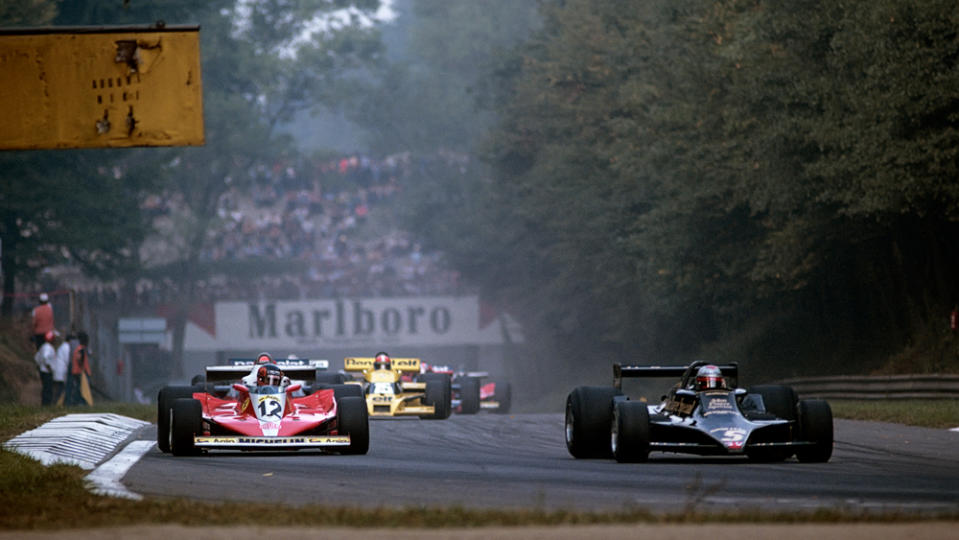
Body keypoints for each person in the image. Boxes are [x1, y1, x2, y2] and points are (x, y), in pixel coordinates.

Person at [67, 331, 92, 406]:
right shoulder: (80, 349)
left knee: (79, 388)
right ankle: (79, 402)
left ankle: (78, 401)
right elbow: (79, 359)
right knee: (81, 389)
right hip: (80, 372)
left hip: (79, 371)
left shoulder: (79, 349)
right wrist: (83, 370)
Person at [34, 330, 56, 405]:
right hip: (47, 371)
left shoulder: (43, 346)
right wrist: (49, 367)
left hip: (43, 370)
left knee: (46, 388)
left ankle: (45, 403)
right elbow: (45, 357)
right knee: (48, 389)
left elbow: (36, 357)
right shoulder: (48, 347)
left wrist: (39, 365)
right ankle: (46, 404)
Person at [50, 330, 70, 406]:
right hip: (60, 371)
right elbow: (67, 360)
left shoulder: (63, 346)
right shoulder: (66, 347)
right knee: (59, 389)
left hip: (58, 370)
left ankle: (56, 403)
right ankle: (57, 403)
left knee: (58, 388)